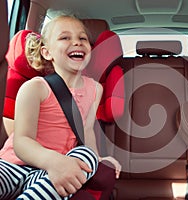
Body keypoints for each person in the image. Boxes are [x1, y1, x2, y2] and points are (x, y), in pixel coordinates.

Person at [0, 15, 121, 200]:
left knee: (86, 155)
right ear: (47, 52)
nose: (77, 43)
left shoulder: (96, 89)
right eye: (65, 38)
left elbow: (87, 131)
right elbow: (22, 141)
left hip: (52, 173)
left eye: (83, 38)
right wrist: (53, 161)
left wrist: (98, 159)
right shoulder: (35, 87)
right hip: (13, 165)